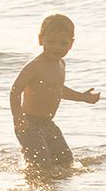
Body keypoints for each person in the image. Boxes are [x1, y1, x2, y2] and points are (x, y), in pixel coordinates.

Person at [10, 13, 100, 178]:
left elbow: (58, 89)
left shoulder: (61, 64)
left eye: (63, 43)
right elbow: (15, 90)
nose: (56, 47)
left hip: (48, 123)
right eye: (50, 42)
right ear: (41, 40)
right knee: (41, 165)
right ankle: (35, 188)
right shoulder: (35, 66)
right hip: (29, 123)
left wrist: (82, 97)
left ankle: (51, 184)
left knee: (65, 161)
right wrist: (18, 117)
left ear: (71, 43)